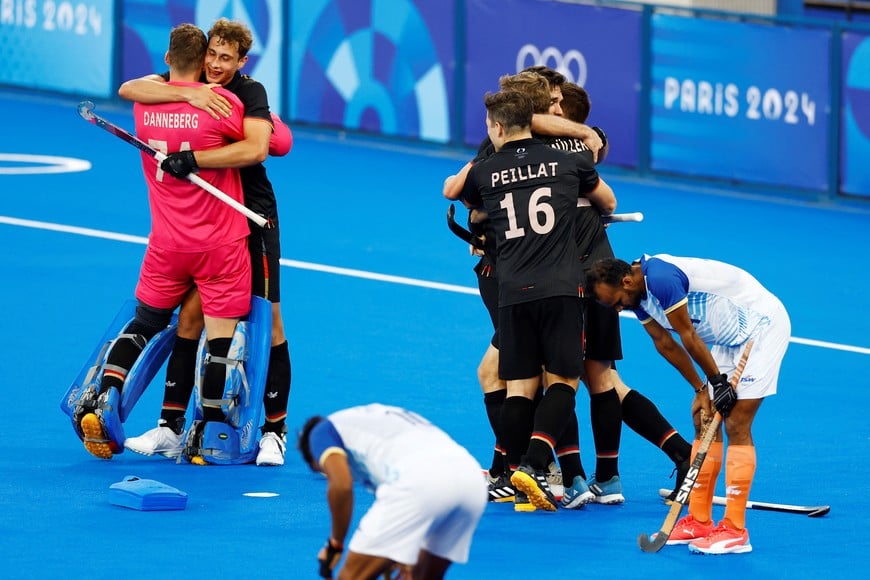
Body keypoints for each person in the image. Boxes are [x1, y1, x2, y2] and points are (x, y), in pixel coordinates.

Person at [118, 18, 293, 466]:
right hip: (207, 227)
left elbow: (261, 148)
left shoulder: (250, 94)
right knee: (190, 316)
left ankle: (274, 430)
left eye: (225, 58)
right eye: (211, 54)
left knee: (269, 323)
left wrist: (192, 157)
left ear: (241, 61)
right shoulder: (189, 82)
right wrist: (188, 91)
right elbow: (131, 88)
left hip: (252, 216)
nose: (215, 64)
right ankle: (170, 427)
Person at [74, 23, 251, 460]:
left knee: (144, 323)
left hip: (167, 245)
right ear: (205, 60)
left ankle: (106, 392)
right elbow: (274, 142)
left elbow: (132, 86)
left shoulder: (143, 106)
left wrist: (180, 92)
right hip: (220, 244)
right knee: (221, 339)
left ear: (168, 59)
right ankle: (206, 433)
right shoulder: (222, 103)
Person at [586, 255, 791, 554]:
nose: (617, 309)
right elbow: (664, 343)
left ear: (626, 282)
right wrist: (701, 389)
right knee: (705, 419)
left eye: (616, 302)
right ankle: (699, 520)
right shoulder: (637, 295)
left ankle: (735, 530)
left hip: (760, 325)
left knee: (735, 422)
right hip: (727, 336)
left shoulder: (660, 279)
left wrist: (717, 383)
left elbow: (687, 335)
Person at [459, 89, 599, 512]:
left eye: (560, 104)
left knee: (525, 382)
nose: (557, 110)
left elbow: (459, 191)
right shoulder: (568, 157)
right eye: (550, 105)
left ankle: (526, 469)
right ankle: (530, 467)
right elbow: (606, 197)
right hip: (552, 286)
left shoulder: (499, 160)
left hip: (516, 286)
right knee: (548, 382)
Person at [298, 404, 487, 579]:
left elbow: (342, 485)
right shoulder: (372, 422)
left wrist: (335, 544)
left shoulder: (321, 431)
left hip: (422, 482)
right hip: (472, 481)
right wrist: (402, 551)